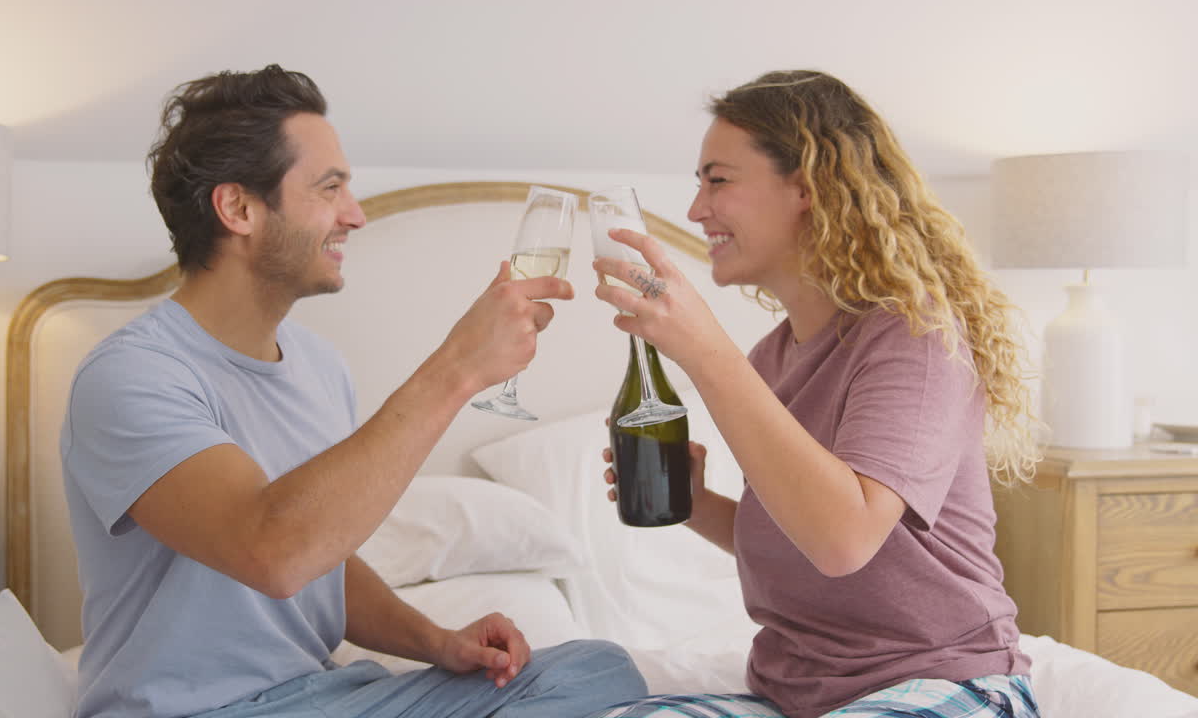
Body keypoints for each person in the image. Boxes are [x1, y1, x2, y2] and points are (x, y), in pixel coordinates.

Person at [60, 64, 646, 718]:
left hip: (324, 696)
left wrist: (438, 642)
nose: (355, 215)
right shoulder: (132, 376)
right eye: (329, 188)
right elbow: (274, 552)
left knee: (596, 669)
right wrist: (457, 368)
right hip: (195, 710)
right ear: (239, 208)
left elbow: (322, 559)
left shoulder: (319, 366)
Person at [588, 70, 1042, 718]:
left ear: (807, 186)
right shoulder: (772, 358)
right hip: (794, 698)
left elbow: (843, 539)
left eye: (718, 180)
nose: (695, 210)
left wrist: (705, 351)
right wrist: (696, 506)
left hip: (946, 684)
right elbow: (795, 529)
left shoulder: (915, 337)